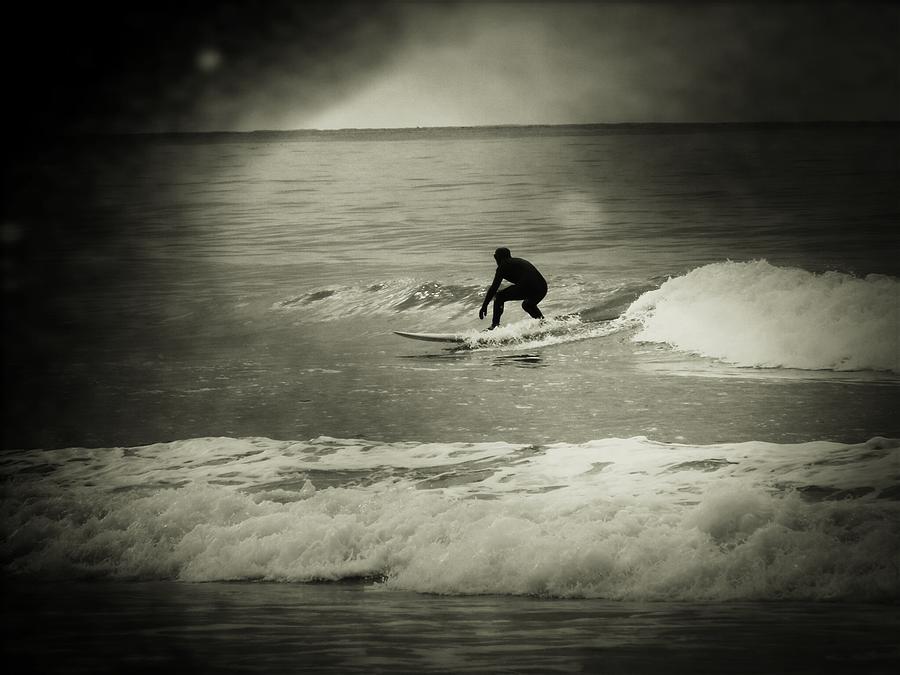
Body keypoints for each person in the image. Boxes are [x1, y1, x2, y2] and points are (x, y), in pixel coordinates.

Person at [478, 247, 547, 329]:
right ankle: (543, 324)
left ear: (496, 257)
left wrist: (484, 306)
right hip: (542, 288)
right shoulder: (516, 261)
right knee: (527, 305)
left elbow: (494, 287)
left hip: (530, 286)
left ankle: (495, 325)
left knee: (499, 296)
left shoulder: (503, 266)